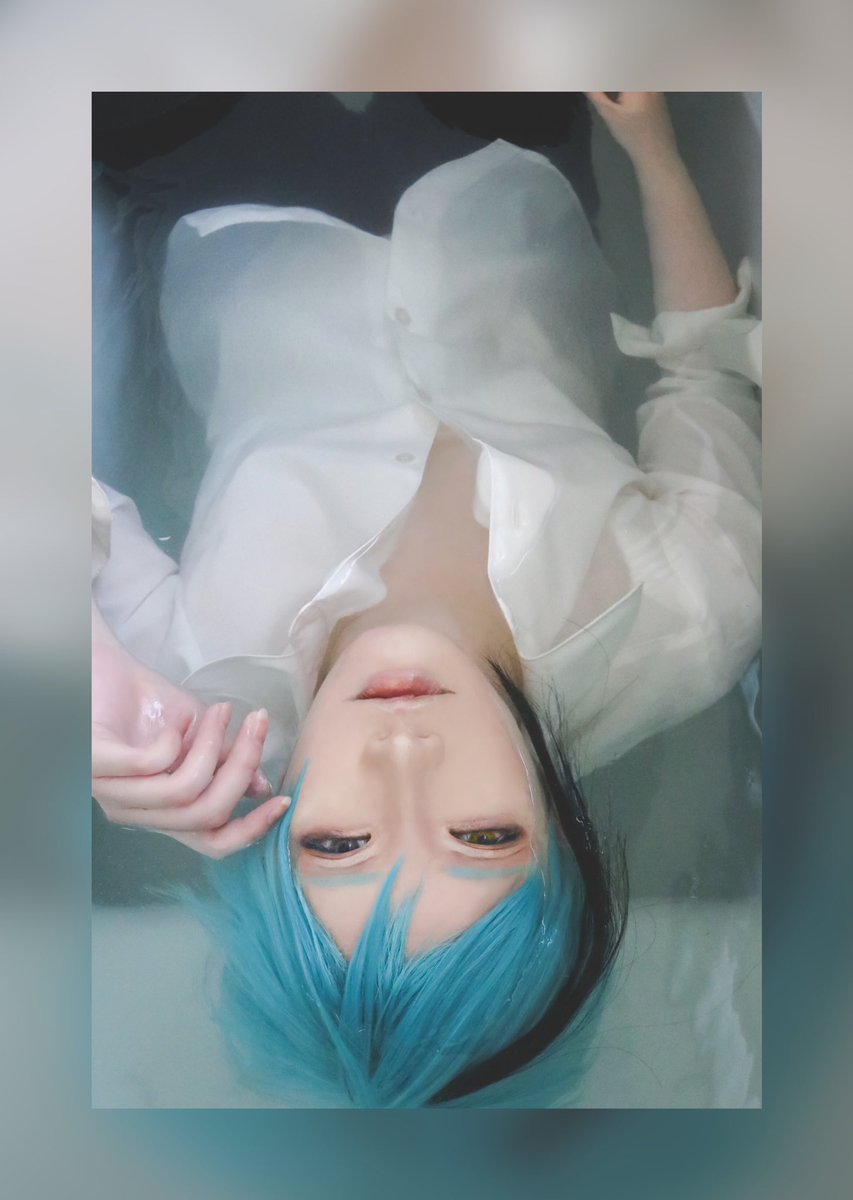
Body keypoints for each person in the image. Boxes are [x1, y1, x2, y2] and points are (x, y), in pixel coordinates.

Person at [91, 93, 761, 1107]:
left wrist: (79, 671)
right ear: (566, 836)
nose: (402, 756)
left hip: (221, 185)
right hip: (504, 164)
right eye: (483, 837)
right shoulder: (690, 616)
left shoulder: (190, 689)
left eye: (338, 845)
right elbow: (703, 372)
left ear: (276, 852)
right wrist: (651, 148)